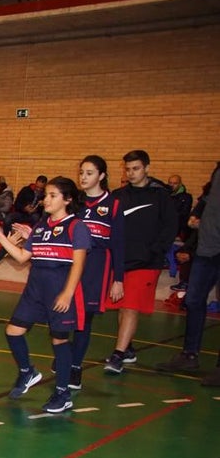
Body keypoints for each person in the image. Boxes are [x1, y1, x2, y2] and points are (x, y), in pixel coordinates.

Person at [0, 176, 90, 412]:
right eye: (46, 195)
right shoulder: (41, 226)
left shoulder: (76, 227)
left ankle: (63, 393)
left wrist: (67, 293)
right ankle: (27, 371)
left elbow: (79, 264)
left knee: (59, 341)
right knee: (13, 331)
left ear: (67, 199)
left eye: (52, 195)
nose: (46, 199)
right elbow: (22, 257)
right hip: (35, 290)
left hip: (59, 290)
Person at [104, 150, 177, 373]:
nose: (131, 173)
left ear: (147, 168)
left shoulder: (161, 196)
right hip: (121, 261)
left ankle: (118, 355)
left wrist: (155, 251)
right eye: (127, 169)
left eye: (135, 168)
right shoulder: (118, 195)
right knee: (122, 306)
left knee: (130, 307)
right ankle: (127, 349)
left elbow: (171, 226)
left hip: (146, 262)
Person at [156, 163, 220, 386]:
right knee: (193, 299)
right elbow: (206, 205)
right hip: (207, 249)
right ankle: (189, 355)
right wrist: (190, 243)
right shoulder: (217, 173)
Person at [70, 155, 124, 390]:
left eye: (89, 173)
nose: (83, 177)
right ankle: (65, 353)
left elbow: (119, 243)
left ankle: (75, 367)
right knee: (64, 313)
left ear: (101, 176)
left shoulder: (113, 204)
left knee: (85, 318)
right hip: (71, 264)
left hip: (97, 267)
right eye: (81, 172)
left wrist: (118, 278)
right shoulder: (74, 203)